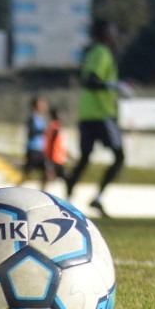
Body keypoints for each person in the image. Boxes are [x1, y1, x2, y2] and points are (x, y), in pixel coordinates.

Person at [65, 18, 129, 218]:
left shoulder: (92, 52)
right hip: (101, 114)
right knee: (119, 156)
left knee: (85, 157)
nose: (115, 34)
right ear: (105, 33)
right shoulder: (102, 53)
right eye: (112, 30)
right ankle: (98, 197)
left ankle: (67, 198)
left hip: (86, 113)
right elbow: (91, 81)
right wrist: (116, 85)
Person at [18, 96, 48, 186]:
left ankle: (43, 191)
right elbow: (30, 132)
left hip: (40, 149)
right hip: (32, 149)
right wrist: (42, 131)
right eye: (41, 104)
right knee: (27, 172)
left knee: (47, 172)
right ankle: (17, 187)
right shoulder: (32, 117)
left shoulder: (42, 118)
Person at [43, 107, 68, 191]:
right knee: (49, 176)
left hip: (58, 157)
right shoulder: (54, 127)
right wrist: (49, 158)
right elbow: (51, 143)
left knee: (51, 176)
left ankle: (44, 191)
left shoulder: (55, 126)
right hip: (54, 157)